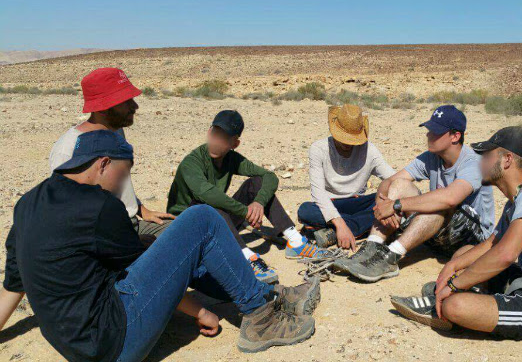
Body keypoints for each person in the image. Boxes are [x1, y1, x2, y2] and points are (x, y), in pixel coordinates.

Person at [0, 130, 320, 361]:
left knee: (170, 242)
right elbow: (140, 273)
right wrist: (200, 309)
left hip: (75, 346)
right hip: (115, 342)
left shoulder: (28, 203)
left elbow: (13, 286)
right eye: (123, 174)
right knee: (202, 220)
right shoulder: (99, 207)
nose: (123, 184)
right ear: (103, 164)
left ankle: (269, 296)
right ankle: (262, 316)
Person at [390, 126, 522, 344]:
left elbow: (505, 254)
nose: (479, 162)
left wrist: (455, 285)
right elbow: (492, 243)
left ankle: (452, 310)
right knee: (464, 253)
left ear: (507, 160)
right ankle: (464, 298)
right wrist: (452, 268)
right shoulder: (519, 199)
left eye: (485, 156)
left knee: (454, 306)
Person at [167, 110, 331, 283]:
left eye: (224, 138)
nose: (216, 141)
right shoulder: (191, 162)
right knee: (210, 203)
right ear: (209, 132)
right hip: (185, 228)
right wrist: (245, 211)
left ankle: (295, 241)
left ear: (234, 144)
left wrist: (259, 203)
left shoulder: (232, 158)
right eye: (215, 134)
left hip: (214, 223)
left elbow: (269, 176)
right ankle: (245, 257)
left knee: (256, 183)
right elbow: (208, 194)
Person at [336, 105, 495, 282]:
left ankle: (391, 257)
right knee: (399, 184)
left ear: (455, 136)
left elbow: (451, 198)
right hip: (440, 234)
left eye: (436, 132)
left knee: (438, 202)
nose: (428, 135)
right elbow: (388, 183)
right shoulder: (431, 157)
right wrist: (384, 204)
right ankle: (373, 244)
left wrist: (396, 205)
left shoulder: (473, 163)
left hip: (472, 241)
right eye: (429, 130)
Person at [49, 67, 174, 241]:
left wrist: (141, 209)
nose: (135, 107)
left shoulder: (116, 133)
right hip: (105, 236)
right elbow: (67, 213)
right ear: (102, 109)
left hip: (130, 223)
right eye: (126, 102)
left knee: (192, 228)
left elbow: (118, 183)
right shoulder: (68, 148)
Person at [297, 104, 396, 250]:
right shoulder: (318, 149)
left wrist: (392, 205)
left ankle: (330, 231)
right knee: (305, 210)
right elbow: (318, 193)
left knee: (392, 200)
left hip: (358, 201)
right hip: (331, 203)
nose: (348, 143)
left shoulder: (370, 150)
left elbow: (394, 179)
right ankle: (358, 227)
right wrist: (341, 224)